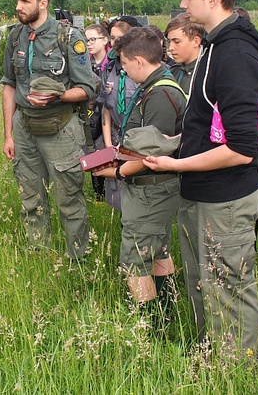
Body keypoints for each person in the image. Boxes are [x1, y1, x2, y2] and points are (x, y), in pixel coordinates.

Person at [144, 0, 258, 353]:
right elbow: (207, 121)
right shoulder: (215, 46)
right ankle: (212, 356)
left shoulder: (235, 55)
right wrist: (171, 142)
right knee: (205, 284)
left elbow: (241, 148)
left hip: (227, 198)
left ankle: (235, 370)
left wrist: (176, 163)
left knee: (229, 290)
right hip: (203, 191)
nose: (183, 6)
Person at [93, 27, 186, 324]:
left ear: (139, 61)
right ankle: (166, 313)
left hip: (151, 190)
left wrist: (115, 171)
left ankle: (150, 327)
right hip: (151, 187)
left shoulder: (160, 95)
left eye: (124, 62)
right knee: (157, 250)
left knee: (135, 260)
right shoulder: (154, 87)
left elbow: (150, 156)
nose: (122, 69)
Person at [1, 0, 95, 260]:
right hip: (24, 128)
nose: (18, 6)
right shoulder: (15, 35)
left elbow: (87, 88)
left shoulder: (68, 37)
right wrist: (8, 134)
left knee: (69, 199)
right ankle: (39, 257)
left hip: (60, 129)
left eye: (24, 1)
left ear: (43, 3)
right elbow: (8, 85)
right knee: (31, 198)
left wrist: (58, 95)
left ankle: (78, 260)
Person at [97, 16, 141, 210]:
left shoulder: (141, 68)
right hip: (115, 136)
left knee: (137, 189)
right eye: (112, 38)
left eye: (119, 38)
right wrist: (108, 145)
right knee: (117, 194)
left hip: (137, 138)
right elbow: (105, 107)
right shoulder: (109, 69)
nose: (114, 43)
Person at [85, 23, 111, 201]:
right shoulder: (85, 63)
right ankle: (98, 196)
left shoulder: (111, 64)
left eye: (93, 39)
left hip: (108, 114)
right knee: (92, 154)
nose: (89, 44)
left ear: (105, 40)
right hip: (90, 115)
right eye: (86, 40)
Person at [165, 12, 205, 95]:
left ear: (195, 41)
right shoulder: (173, 72)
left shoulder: (208, 73)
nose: (171, 48)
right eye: (169, 42)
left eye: (177, 42)